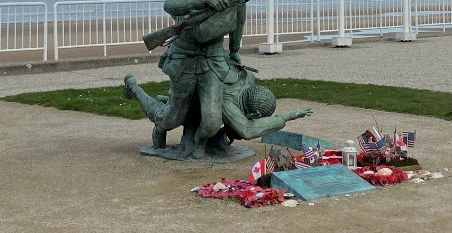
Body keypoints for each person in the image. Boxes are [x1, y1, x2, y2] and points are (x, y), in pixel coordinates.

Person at [127, 0, 247, 158]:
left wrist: (235, 51)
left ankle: (199, 144)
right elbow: (170, 4)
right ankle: (137, 92)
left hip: (213, 59)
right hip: (185, 57)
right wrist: (204, 0)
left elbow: (238, 23)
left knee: (212, 120)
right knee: (172, 118)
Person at [123, 65, 312, 157]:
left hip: (200, 99)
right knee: (163, 119)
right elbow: (248, 129)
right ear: (254, 114)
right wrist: (289, 116)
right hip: (189, 100)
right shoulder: (230, 104)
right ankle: (134, 88)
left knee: (213, 132)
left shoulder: (248, 78)